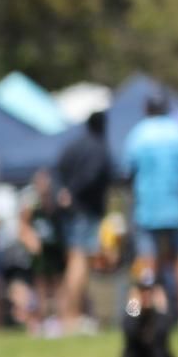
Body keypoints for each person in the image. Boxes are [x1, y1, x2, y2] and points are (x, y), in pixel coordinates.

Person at [119, 92, 178, 323]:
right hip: (177, 207)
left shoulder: (138, 134)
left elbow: (126, 172)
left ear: (146, 109)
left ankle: (138, 314)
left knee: (146, 264)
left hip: (147, 210)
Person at [51, 110, 113, 333]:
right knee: (79, 261)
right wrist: (73, 192)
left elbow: (56, 170)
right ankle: (71, 316)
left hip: (69, 213)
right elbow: (94, 175)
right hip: (86, 210)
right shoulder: (98, 147)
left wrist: (62, 193)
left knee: (74, 261)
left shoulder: (72, 146)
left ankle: (67, 314)